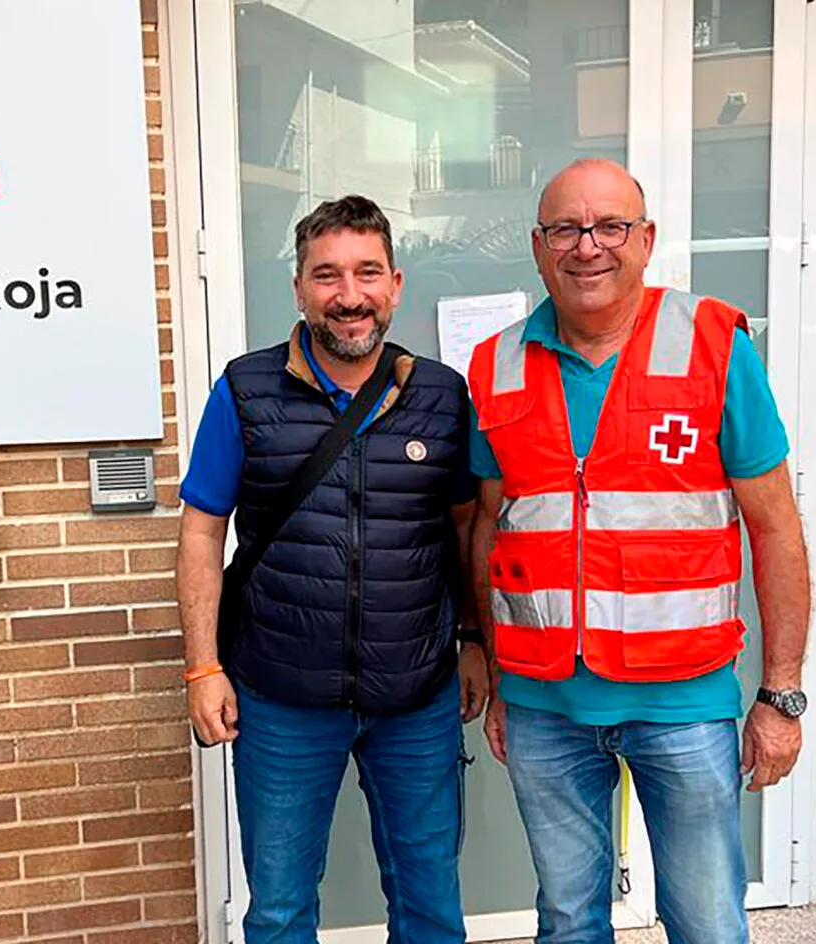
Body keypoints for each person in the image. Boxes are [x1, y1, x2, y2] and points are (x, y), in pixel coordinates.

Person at [467, 159, 811, 944]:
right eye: (566, 228)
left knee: (708, 925)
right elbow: (489, 530)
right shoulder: (495, 365)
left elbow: (776, 528)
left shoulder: (714, 345)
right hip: (545, 709)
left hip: (683, 706)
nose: (588, 247)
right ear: (538, 245)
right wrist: (491, 661)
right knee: (566, 922)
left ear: (646, 239)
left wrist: (781, 694)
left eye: (610, 226)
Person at [176, 195, 489, 943]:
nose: (349, 296)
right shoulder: (244, 392)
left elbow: (467, 530)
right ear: (299, 288)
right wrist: (201, 667)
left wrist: (476, 639)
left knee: (430, 907)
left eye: (366, 273)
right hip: (280, 696)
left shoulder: (442, 395)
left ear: (396, 284)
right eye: (327, 275)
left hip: (417, 696)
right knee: (281, 911)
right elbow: (200, 531)